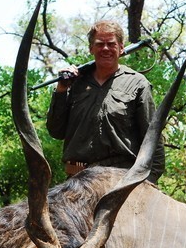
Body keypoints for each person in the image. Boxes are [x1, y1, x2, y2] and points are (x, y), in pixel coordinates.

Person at [46, 20, 165, 182]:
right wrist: (61, 90)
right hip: (76, 181)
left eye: (111, 44)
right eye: (100, 44)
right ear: (91, 48)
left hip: (119, 181)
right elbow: (56, 131)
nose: (106, 49)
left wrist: (148, 181)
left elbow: (153, 139)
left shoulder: (138, 84)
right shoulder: (75, 83)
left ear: (121, 48)